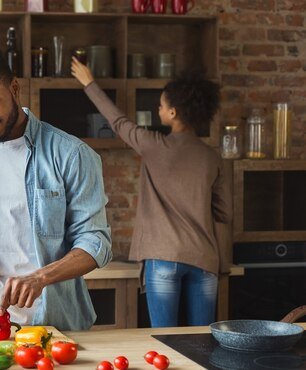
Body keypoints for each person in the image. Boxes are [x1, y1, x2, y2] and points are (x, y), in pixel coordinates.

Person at [0, 48, 112, 331]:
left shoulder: (71, 154)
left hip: (55, 324)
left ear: (14, 88)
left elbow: (95, 242)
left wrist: (41, 277)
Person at [71, 57, 231, 327]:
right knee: (203, 341)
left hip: (163, 258)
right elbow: (223, 214)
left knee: (166, 340)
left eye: (161, 105)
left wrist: (89, 84)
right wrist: (222, 265)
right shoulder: (212, 157)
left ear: (173, 113)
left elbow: (118, 122)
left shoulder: (153, 145)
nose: (159, 109)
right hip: (205, 260)